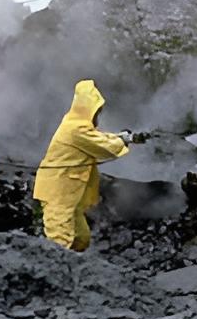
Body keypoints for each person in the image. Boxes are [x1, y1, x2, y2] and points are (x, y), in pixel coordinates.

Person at [33, 80, 130, 252]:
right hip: (58, 192)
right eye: (97, 111)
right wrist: (123, 140)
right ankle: (56, 266)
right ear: (88, 110)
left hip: (69, 193)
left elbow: (96, 137)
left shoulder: (76, 124)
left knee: (81, 237)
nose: (98, 116)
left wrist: (119, 137)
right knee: (59, 240)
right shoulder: (76, 129)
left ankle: (72, 262)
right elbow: (104, 146)